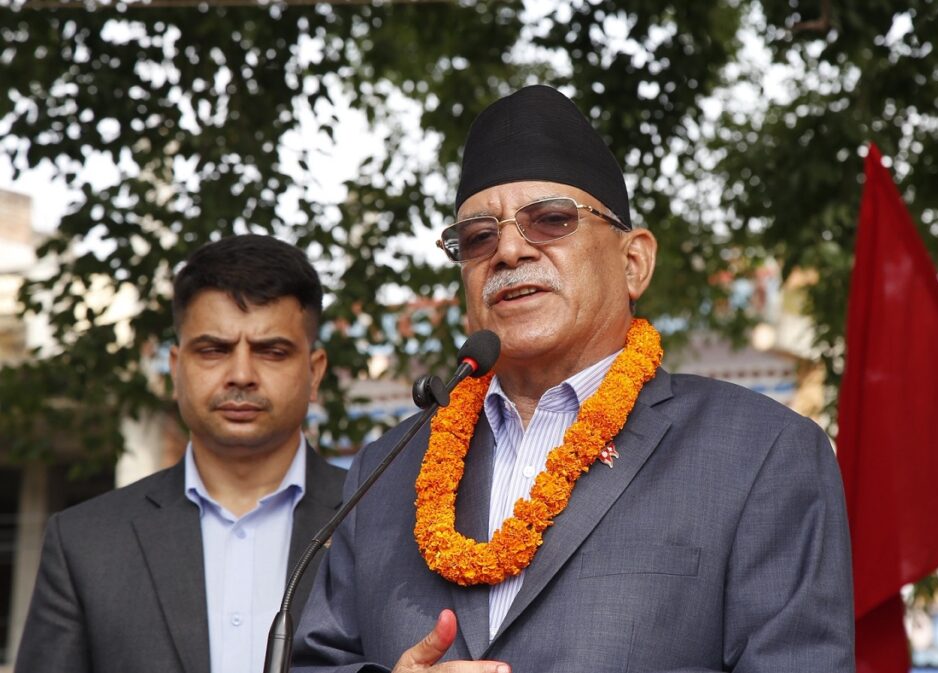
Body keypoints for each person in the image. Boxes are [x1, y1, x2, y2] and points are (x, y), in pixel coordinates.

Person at [293, 85, 854, 673]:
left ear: (633, 261)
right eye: (478, 237)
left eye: (551, 220)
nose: (508, 250)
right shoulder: (384, 472)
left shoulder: (758, 453)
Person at [16, 234, 348, 673]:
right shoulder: (86, 545)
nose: (242, 375)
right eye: (214, 350)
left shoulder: (377, 523)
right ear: (176, 368)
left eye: (272, 351)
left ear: (314, 371)